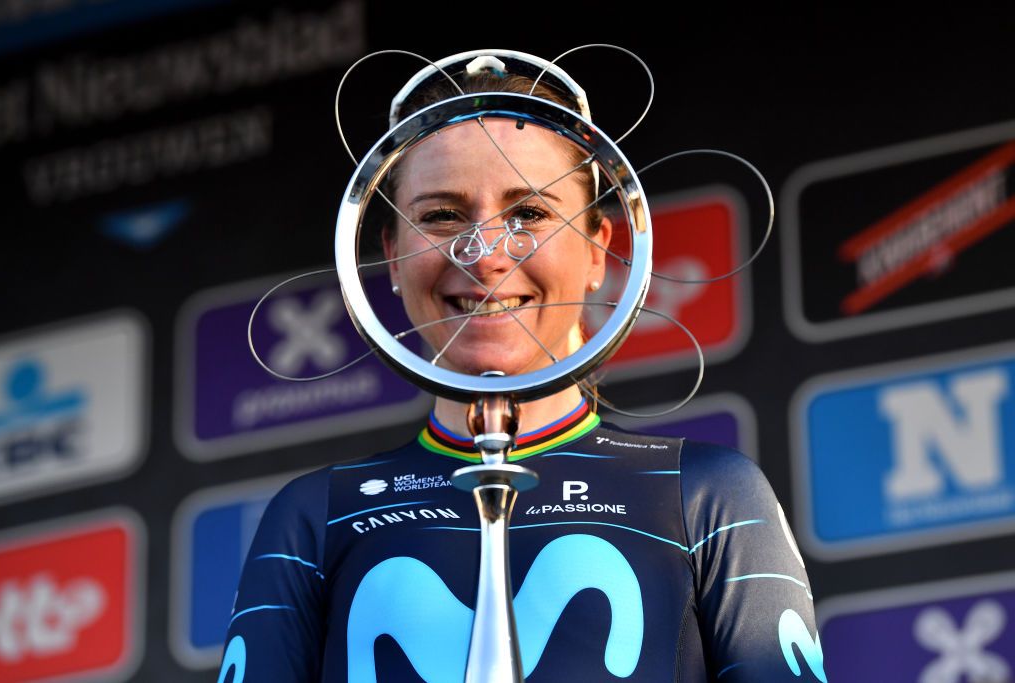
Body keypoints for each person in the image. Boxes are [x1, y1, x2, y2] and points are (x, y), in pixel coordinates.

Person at [218, 49, 827, 683]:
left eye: (529, 213)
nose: (483, 255)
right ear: (393, 257)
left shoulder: (706, 492)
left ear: (598, 249)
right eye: (441, 216)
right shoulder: (315, 514)